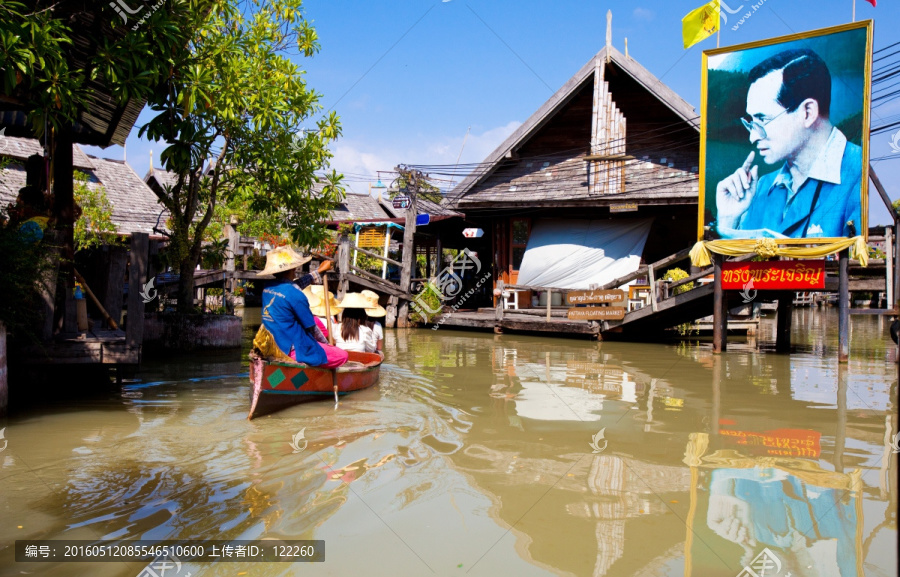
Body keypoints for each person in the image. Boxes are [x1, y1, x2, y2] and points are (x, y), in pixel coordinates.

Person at [714, 48, 862, 239]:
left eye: (762, 120)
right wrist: (728, 220)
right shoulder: (759, 188)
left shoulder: (861, 175)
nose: (752, 137)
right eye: (751, 123)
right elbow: (736, 267)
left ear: (807, 112)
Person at [251, 247, 348, 368]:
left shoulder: (267, 288)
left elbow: (294, 286)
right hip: (292, 349)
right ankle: (312, 375)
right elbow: (312, 328)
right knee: (342, 355)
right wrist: (327, 344)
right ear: (293, 268)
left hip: (273, 344)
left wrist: (319, 271)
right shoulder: (297, 295)